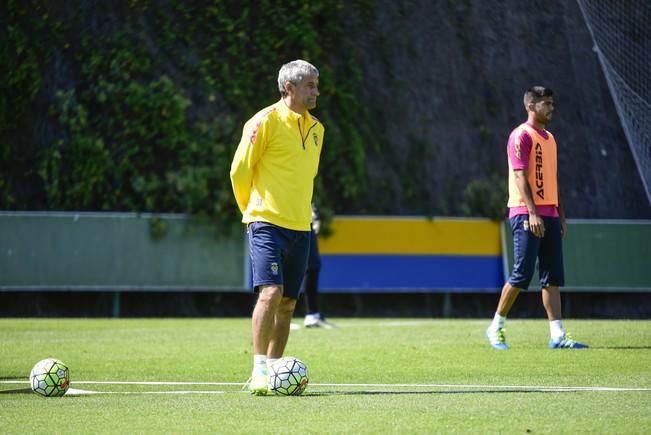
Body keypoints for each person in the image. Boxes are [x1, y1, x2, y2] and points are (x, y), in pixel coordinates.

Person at [230, 59, 324, 394]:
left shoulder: (317, 130)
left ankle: (273, 372)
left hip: (301, 227)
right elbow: (239, 171)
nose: (316, 90)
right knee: (269, 292)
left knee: (288, 303)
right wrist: (250, 211)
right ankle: (258, 372)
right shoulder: (263, 121)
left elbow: (304, 179)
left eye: (316, 84)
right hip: (266, 222)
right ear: (289, 88)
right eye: (310, 85)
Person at [485, 86, 588, 350]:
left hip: (550, 214)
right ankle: (495, 327)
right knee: (521, 274)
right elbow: (520, 176)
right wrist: (532, 212)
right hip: (525, 213)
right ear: (531, 106)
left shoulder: (550, 138)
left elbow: (552, 178)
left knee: (552, 277)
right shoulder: (521, 136)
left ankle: (557, 335)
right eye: (546, 103)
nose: (551, 108)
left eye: (552, 103)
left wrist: (560, 212)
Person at [302, 204, 336, 328]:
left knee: (313, 265)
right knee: (284, 266)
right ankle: (277, 316)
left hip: (305, 221)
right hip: (290, 221)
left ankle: (312, 313)